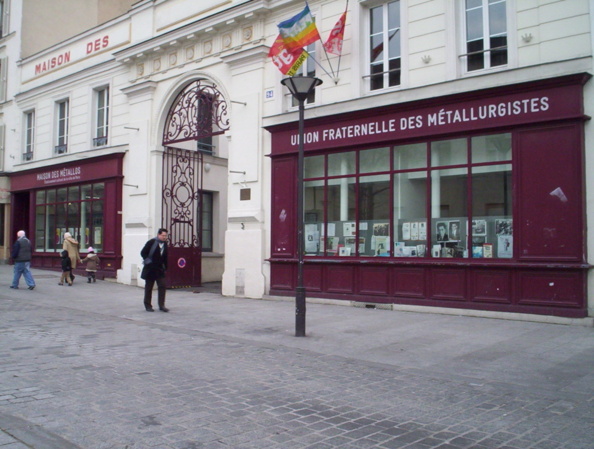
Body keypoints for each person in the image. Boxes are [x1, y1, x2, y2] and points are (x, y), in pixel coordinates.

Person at [140, 228, 169, 312]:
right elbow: (143, 252)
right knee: (149, 288)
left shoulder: (165, 244)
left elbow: (165, 257)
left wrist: (165, 267)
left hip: (160, 269)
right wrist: (147, 260)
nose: (164, 237)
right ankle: (148, 305)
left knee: (162, 286)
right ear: (158, 235)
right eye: (163, 235)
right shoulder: (151, 242)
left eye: (165, 236)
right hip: (150, 269)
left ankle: (162, 305)